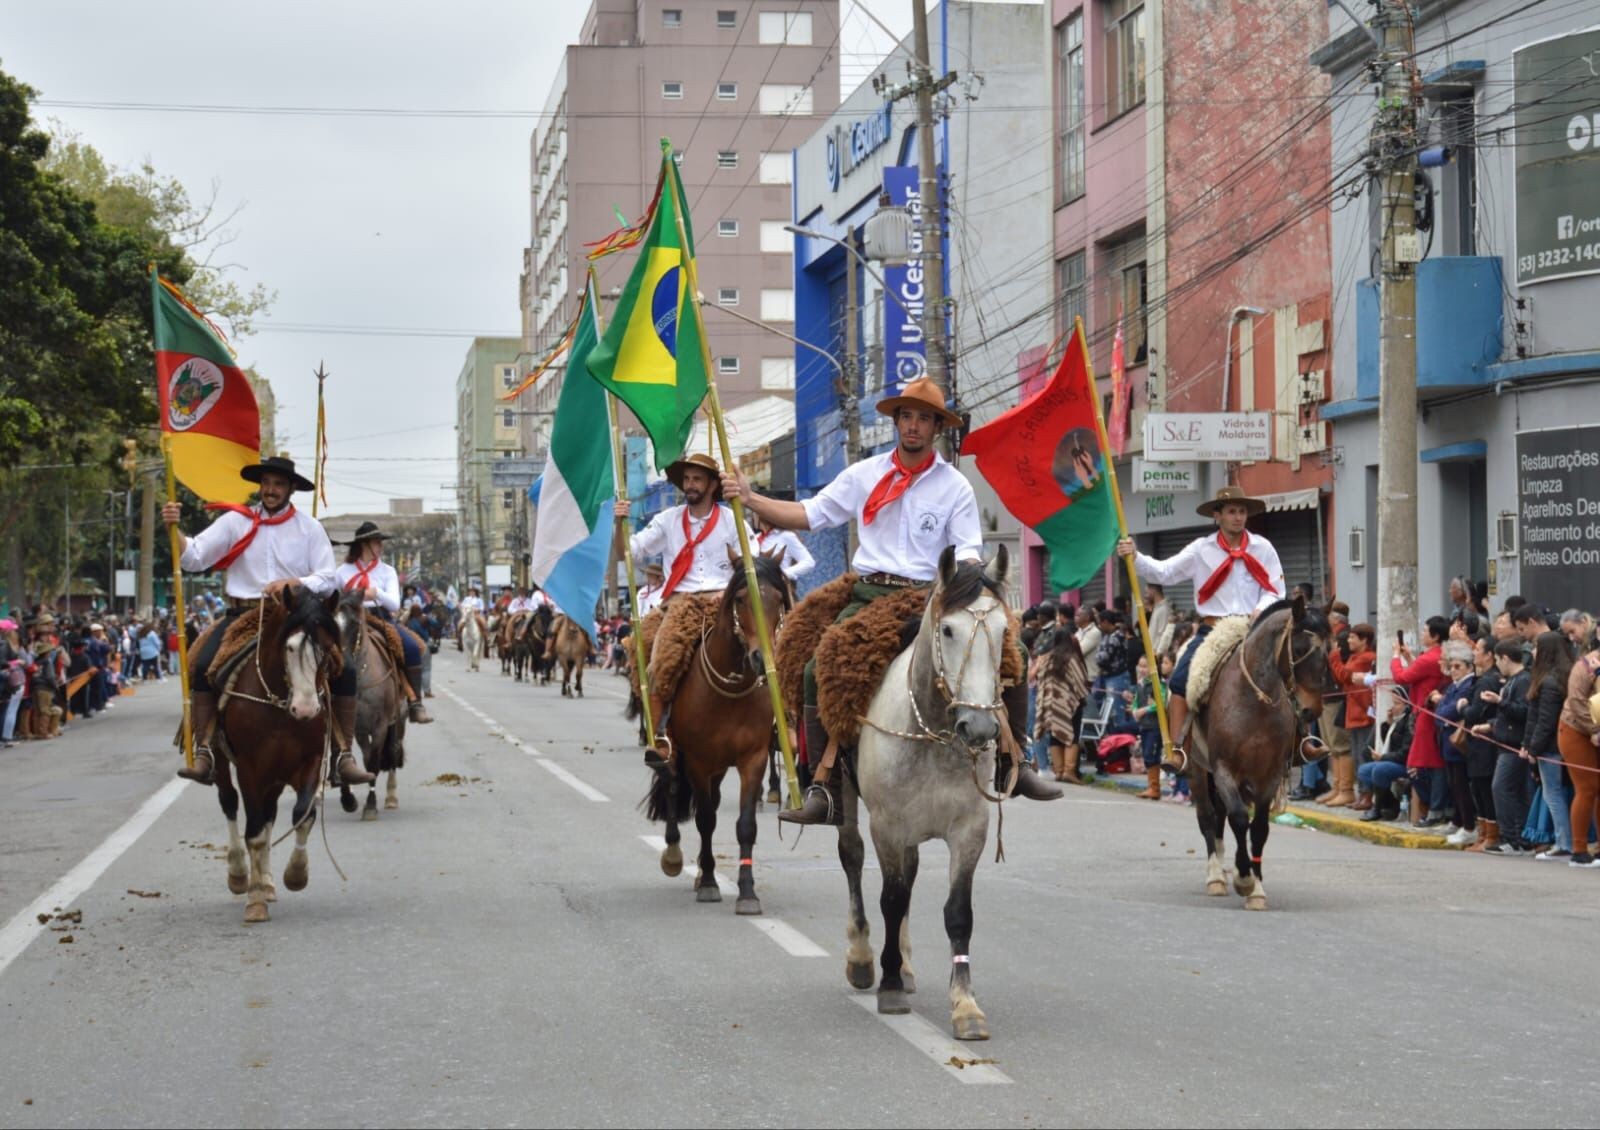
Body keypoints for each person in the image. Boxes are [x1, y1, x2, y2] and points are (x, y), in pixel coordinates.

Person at [723, 376, 1062, 825]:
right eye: (907, 417)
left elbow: (967, 551)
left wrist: (969, 577)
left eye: (924, 418)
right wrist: (750, 499)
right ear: (896, 422)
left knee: (1013, 651)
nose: (914, 426)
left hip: (930, 596)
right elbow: (810, 514)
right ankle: (822, 785)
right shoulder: (864, 474)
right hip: (870, 594)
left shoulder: (955, 486)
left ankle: (1016, 761)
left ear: (936, 427)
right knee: (814, 667)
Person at [161, 455, 373, 787]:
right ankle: (203, 751)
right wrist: (174, 530)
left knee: (342, 667)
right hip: (244, 614)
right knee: (202, 662)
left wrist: (296, 584)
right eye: (266, 483)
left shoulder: (309, 527)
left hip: (295, 616)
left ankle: (343, 755)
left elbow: (329, 578)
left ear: (290, 489)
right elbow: (194, 557)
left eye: (278, 484)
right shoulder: (235, 521)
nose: (271, 490)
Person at [1117, 485, 1286, 773]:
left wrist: (1262, 607)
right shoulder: (1200, 549)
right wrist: (1134, 556)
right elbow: (1164, 572)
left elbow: (1276, 589)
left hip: (1253, 629)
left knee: (1292, 673)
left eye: (1242, 511)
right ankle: (1179, 749)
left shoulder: (1263, 548)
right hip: (1214, 631)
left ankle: (1302, 742)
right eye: (1231, 511)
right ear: (1217, 516)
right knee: (1180, 681)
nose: (1238, 517)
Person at [615, 452, 742, 775]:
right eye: (686, 479)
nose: (690, 485)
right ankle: (660, 738)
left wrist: (726, 595)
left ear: (713, 485)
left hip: (723, 603)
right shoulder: (668, 519)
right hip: (680, 603)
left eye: (697, 479)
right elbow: (628, 552)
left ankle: (776, 724)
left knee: (768, 647)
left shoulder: (731, 518)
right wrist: (620, 523)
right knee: (652, 654)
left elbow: (750, 561)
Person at [333, 521, 433, 724]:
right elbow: (333, 599)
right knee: (326, 649)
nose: (380, 546)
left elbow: (394, 603)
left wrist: (375, 592)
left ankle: (416, 704)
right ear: (363, 544)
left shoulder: (387, 571)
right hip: (350, 620)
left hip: (380, 619)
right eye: (376, 542)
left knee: (412, 648)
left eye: (380, 542)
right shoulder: (342, 571)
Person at [1387, 615, 1451, 827]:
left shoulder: (1430, 658)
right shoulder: (1436, 656)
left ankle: (1437, 807)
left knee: (1421, 764)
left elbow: (1402, 678)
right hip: (1427, 711)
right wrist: (1411, 658)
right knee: (1428, 763)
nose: (1423, 634)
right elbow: (1420, 675)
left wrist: (1396, 657)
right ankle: (1436, 806)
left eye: (1425, 631)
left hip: (1426, 713)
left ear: (1434, 636)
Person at [1523, 631, 1574, 861]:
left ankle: (1564, 842)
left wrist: (1533, 749)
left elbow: (1545, 721)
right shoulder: (1562, 676)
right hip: (1557, 744)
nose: (1532, 651)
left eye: (1536, 647)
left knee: (1553, 794)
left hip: (1550, 747)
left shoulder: (1549, 682)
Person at [1457, 634, 1505, 850]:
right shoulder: (1491, 677)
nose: (1474, 653)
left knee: (1482, 788)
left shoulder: (1487, 680)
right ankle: (1484, 834)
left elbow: (1475, 713)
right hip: (1485, 741)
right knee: (1480, 788)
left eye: (1478, 650)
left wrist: (1463, 707)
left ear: (1489, 655)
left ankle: (1491, 836)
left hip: (1483, 741)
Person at [1556, 636, 1600, 868]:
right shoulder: (1583, 666)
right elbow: (1576, 700)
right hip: (1576, 728)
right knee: (1587, 788)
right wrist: (1593, 729)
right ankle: (1579, 849)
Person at [1034, 626, 1090, 784]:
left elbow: (1040, 680)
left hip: (1050, 703)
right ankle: (1068, 771)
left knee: (1054, 734)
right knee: (1072, 734)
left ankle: (1058, 771)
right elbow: (1080, 681)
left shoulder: (1046, 659)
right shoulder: (1072, 658)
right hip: (1070, 702)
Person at [1331, 623, 1377, 809]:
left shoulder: (1366, 658)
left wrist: (1334, 656)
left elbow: (1344, 675)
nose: (1349, 640)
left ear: (1364, 640)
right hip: (1355, 711)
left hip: (1364, 712)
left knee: (1363, 755)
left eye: (1352, 637)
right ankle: (1362, 794)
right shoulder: (1355, 657)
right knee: (1357, 754)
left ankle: (1366, 795)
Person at [1128, 654, 1167, 798]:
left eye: (1145, 666)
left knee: (1152, 754)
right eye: (1140, 666)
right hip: (1144, 725)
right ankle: (1151, 786)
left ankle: (1154, 788)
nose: (1142, 669)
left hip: (1154, 725)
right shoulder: (1141, 684)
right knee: (1147, 754)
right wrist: (1134, 710)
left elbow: (1161, 703)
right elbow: (1136, 701)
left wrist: (1143, 711)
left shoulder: (1157, 684)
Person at [751, 512, 816, 584]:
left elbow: (809, 562)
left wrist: (783, 574)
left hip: (778, 586)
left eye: (754, 512)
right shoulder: (754, 538)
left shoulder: (786, 536)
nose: (753, 517)